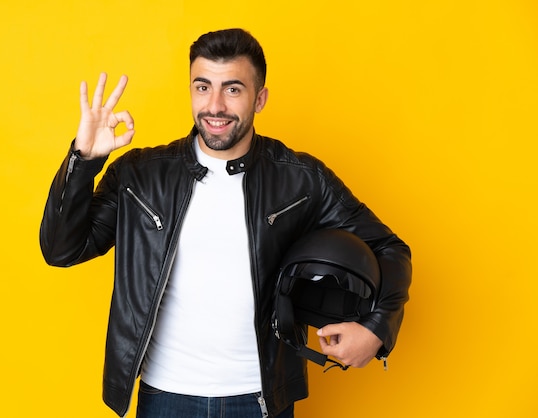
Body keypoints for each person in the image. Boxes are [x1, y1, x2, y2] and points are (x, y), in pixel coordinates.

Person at [40, 28, 411, 418]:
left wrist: (376, 328)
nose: (214, 105)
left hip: (260, 398)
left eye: (232, 89)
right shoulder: (140, 176)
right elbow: (61, 249)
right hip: (165, 396)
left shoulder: (301, 179)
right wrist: (83, 161)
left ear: (259, 98)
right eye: (203, 87)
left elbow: (390, 249)